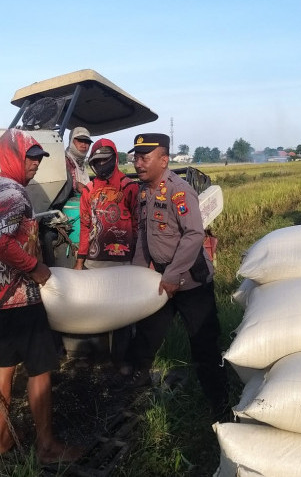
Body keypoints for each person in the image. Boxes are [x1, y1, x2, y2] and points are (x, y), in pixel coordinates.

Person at [0, 128, 82, 463]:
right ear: (12, 156)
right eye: (29, 157)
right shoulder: (15, 196)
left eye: (38, 158)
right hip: (19, 298)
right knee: (40, 367)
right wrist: (36, 268)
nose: (35, 164)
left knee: (5, 365)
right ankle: (47, 447)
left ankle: (3, 440)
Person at [122, 132, 230, 421]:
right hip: (162, 280)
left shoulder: (179, 191)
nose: (138, 163)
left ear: (164, 160)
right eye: (136, 158)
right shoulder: (144, 192)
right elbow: (144, 236)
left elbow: (194, 235)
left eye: (144, 158)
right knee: (148, 333)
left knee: (204, 343)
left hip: (191, 281)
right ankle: (137, 384)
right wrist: (137, 273)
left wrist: (171, 275)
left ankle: (220, 404)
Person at [73, 138, 139, 373]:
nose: (101, 165)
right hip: (94, 262)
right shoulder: (89, 190)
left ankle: (120, 360)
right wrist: (80, 261)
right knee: (95, 312)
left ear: (114, 159)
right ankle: (97, 358)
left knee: (122, 314)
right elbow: (85, 227)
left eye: (105, 160)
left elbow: (138, 225)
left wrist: (140, 260)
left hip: (123, 262)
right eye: (97, 162)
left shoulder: (129, 188)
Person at [65, 127, 93, 195]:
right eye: (80, 140)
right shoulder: (64, 160)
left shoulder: (81, 161)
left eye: (87, 142)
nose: (84, 144)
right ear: (71, 141)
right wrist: (76, 185)